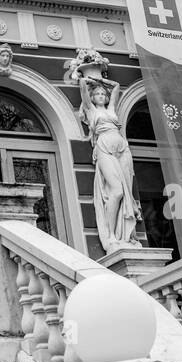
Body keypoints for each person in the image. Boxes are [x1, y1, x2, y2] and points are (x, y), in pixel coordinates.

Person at [78, 77, 140, 253]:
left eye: (102, 93)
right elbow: (83, 87)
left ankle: (125, 235)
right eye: (96, 93)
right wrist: (87, 78)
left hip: (122, 147)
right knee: (117, 191)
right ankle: (111, 235)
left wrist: (101, 80)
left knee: (127, 190)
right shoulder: (90, 110)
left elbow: (117, 86)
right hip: (104, 147)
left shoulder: (111, 109)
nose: (100, 96)